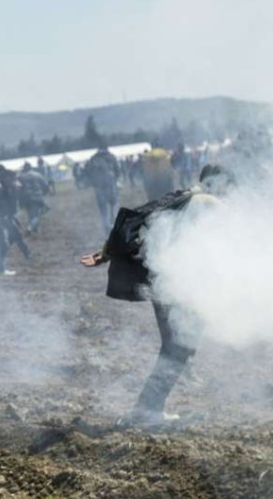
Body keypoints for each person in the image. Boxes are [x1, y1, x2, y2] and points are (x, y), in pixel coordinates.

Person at [79, 164, 228, 427]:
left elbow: (139, 221)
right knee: (177, 349)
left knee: (175, 348)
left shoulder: (180, 198)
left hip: (164, 284)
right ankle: (146, 409)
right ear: (220, 182)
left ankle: (147, 408)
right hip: (180, 287)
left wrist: (104, 254)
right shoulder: (213, 204)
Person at [0, 166, 30, 276]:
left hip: (4, 218)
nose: (15, 181)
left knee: (13, 238)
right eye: (12, 179)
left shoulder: (8, 188)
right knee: (4, 244)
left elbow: (10, 206)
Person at [82, 145, 121, 234]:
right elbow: (118, 170)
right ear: (106, 149)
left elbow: (87, 172)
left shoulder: (93, 158)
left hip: (98, 187)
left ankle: (106, 226)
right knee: (113, 204)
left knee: (103, 209)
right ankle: (114, 224)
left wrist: (93, 183)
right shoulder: (111, 157)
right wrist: (115, 179)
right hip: (111, 184)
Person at [17, 168, 53, 234]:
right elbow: (45, 185)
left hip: (25, 197)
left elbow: (18, 187)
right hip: (36, 196)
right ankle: (30, 228)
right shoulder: (37, 175)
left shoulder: (20, 176)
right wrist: (46, 192)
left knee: (30, 214)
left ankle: (34, 229)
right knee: (36, 215)